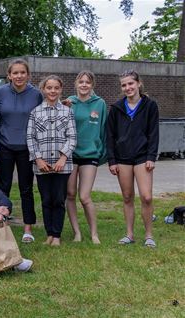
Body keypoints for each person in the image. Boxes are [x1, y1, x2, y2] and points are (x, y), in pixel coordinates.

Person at [106, 70, 159, 248]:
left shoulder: (150, 106)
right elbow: (110, 136)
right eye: (124, 85)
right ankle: (129, 234)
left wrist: (152, 156)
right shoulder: (116, 108)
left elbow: (154, 133)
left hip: (143, 157)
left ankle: (149, 235)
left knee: (146, 196)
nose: (127, 87)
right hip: (122, 158)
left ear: (138, 84)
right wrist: (111, 160)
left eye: (130, 83)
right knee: (127, 197)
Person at [0, 59, 43, 243]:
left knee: (26, 189)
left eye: (22, 72)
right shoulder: (0, 93)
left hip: (27, 148)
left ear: (28, 75)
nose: (19, 76)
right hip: (4, 146)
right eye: (15, 73)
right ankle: (1, 225)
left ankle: (28, 228)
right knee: (3, 187)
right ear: (9, 75)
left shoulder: (36, 94)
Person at [27, 75, 77, 246]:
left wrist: (63, 158)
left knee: (58, 199)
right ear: (43, 90)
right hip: (43, 165)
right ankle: (49, 233)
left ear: (61, 89)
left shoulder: (67, 112)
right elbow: (30, 138)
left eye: (56, 88)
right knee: (46, 199)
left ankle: (56, 235)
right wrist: (38, 159)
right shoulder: (35, 112)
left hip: (62, 165)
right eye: (49, 88)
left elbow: (72, 137)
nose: (53, 91)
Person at [65, 71, 107, 244]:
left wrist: (102, 153)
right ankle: (77, 233)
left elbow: (104, 129)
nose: (84, 85)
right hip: (70, 154)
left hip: (90, 154)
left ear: (92, 85)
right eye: (81, 82)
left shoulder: (100, 104)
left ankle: (94, 233)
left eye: (87, 82)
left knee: (84, 196)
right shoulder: (69, 102)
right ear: (76, 83)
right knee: (70, 194)